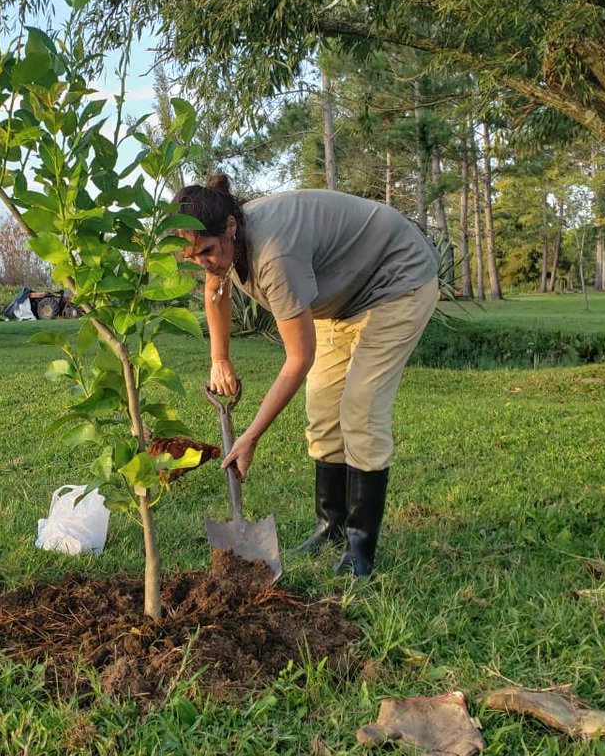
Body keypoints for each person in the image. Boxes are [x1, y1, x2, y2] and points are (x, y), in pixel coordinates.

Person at [174, 175, 439, 577]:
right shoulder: (221, 244)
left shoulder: (275, 255)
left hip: (395, 282)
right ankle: (329, 526)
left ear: (230, 226)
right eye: (193, 257)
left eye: (208, 251)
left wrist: (250, 437)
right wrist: (220, 358)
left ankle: (360, 546)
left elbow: (299, 358)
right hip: (343, 301)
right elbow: (217, 288)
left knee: (360, 411)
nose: (204, 263)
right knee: (322, 410)